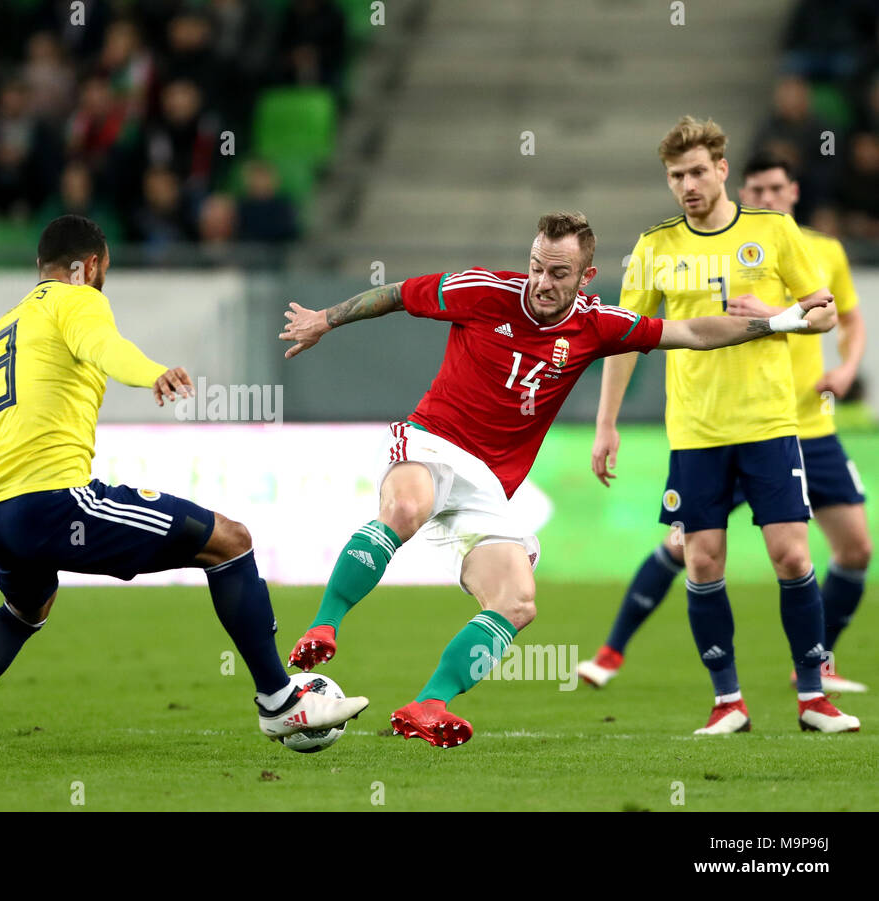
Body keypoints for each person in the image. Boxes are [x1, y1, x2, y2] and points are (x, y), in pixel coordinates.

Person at [279, 209, 831, 749]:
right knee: (404, 510)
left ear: (586, 276)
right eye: (537, 266)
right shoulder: (482, 290)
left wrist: (780, 321)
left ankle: (429, 703)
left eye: (559, 273)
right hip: (432, 442)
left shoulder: (597, 324)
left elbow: (690, 330)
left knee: (518, 602)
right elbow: (397, 293)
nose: (543, 282)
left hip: (490, 486)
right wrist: (325, 319)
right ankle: (324, 627)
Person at [0, 215, 367, 766]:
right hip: (51, 501)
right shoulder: (78, 300)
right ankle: (279, 700)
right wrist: (153, 373)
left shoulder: (8, 324)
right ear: (90, 265)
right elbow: (104, 347)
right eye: (105, 270)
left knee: (25, 608)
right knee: (230, 540)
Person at [588, 117, 858, 735]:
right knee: (703, 562)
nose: (687, 185)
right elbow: (625, 341)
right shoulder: (655, 247)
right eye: (675, 176)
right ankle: (727, 701)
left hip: (768, 422)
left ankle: (813, 698)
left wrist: (778, 315)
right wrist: (606, 424)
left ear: (722, 170)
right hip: (695, 432)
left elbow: (822, 317)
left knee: (791, 556)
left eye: (696, 172)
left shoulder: (772, 231)